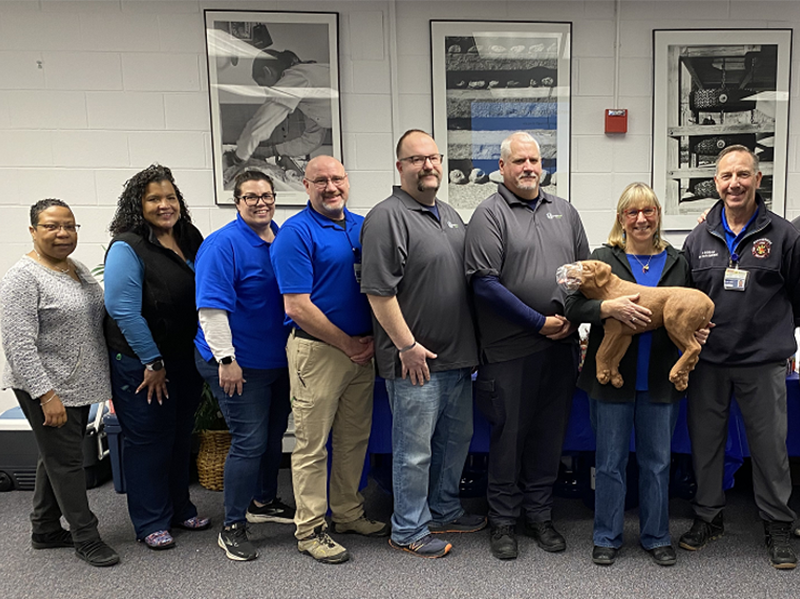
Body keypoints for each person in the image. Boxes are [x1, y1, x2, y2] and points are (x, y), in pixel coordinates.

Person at [565, 183, 710, 567]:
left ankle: (656, 535)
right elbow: (573, 308)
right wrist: (607, 309)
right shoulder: (601, 259)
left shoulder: (679, 261)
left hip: (660, 378)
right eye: (632, 212)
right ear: (621, 219)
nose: (641, 219)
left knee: (657, 462)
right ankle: (607, 536)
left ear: (658, 216)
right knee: (609, 461)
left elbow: (690, 311)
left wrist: (700, 332)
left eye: (649, 211)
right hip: (611, 380)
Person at [463, 131, 589, 561]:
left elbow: (583, 277)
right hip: (509, 352)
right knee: (509, 438)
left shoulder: (565, 212)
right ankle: (502, 521)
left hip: (560, 348)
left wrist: (570, 322)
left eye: (534, 160)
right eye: (519, 161)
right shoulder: (489, 214)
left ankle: (539, 514)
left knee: (548, 437)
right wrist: (538, 322)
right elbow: (484, 285)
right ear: (502, 168)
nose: (529, 168)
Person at [361, 129, 482, 559]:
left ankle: (444, 508)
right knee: (414, 452)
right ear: (400, 167)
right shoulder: (386, 217)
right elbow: (379, 292)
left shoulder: (448, 213)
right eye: (416, 159)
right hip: (415, 362)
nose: (427, 165)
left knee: (454, 442)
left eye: (432, 158)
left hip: (456, 359)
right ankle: (408, 528)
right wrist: (406, 346)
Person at [681, 144, 800, 569]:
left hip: (762, 361)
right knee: (706, 444)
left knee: (770, 448)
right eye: (726, 176)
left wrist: (776, 335)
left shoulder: (785, 235)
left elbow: (796, 297)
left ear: (758, 180)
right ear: (715, 183)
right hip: (709, 362)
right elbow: (687, 299)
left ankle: (778, 525)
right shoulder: (698, 237)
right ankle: (708, 517)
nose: (735, 183)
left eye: (743, 175)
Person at [270, 155, 388, 564]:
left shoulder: (361, 226)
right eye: (320, 180)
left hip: (362, 350)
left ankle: (348, 514)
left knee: (354, 438)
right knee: (312, 445)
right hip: (318, 351)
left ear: (348, 182)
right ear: (305, 186)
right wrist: (346, 343)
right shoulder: (295, 234)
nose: (330, 187)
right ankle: (310, 529)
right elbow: (297, 305)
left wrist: (370, 340)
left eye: (337, 178)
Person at [0, 199, 119, 568]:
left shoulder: (75, 269)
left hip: (78, 382)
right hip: (49, 386)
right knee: (67, 461)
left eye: (69, 225)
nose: (63, 233)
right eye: (52, 226)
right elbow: (18, 344)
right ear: (33, 231)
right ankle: (86, 535)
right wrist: (45, 395)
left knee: (54, 456)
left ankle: (45, 528)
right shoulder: (23, 277)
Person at [104, 164, 210, 551]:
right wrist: (153, 362)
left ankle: (179, 508)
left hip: (184, 357)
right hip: (142, 362)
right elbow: (123, 310)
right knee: (149, 439)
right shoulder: (127, 246)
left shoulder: (188, 236)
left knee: (180, 435)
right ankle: (150, 520)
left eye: (171, 198)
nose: (165, 205)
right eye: (154, 199)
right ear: (139, 204)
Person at [194, 170, 294, 562]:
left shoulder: (281, 237)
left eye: (266, 195)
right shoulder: (223, 245)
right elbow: (212, 308)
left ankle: (263, 501)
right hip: (236, 363)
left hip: (276, 360)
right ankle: (232, 525)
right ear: (237, 202)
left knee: (272, 436)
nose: (260, 202)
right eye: (250, 196)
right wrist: (227, 359)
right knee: (249, 441)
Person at [224, 49, 332, 181]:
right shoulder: (308, 88)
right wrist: (272, 151)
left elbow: (264, 119)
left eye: (265, 86)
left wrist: (238, 156)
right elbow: (312, 139)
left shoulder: (296, 77)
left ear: (267, 71)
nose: (268, 92)